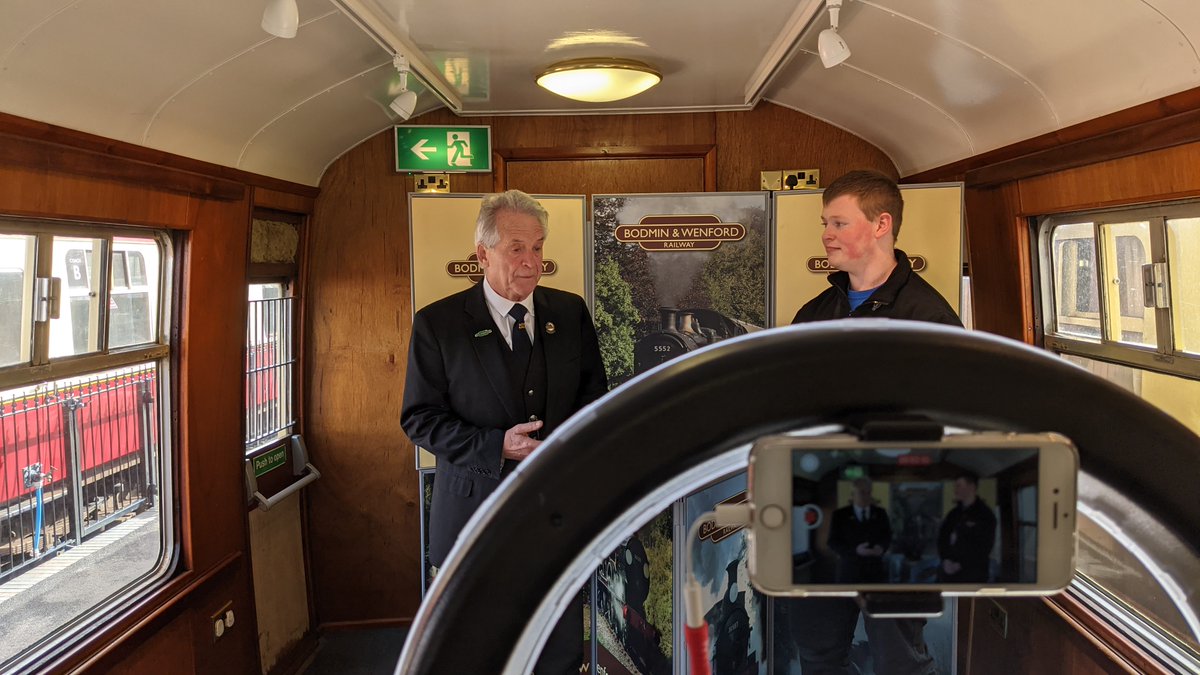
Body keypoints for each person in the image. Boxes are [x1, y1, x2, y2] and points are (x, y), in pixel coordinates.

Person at [401, 189, 608, 674]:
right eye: (517, 248)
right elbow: (420, 419)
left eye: (538, 247)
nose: (532, 261)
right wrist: (496, 446)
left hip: (555, 510)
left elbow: (595, 398)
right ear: (483, 254)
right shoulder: (439, 324)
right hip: (474, 513)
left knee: (558, 648)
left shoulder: (570, 312)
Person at [786, 169, 963, 675]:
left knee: (899, 660)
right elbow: (788, 409)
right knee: (818, 653)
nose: (827, 233)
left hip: (900, 521)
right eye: (825, 223)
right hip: (819, 516)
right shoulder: (815, 313)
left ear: (881, 224)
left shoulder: (929, 319)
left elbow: (947, 429)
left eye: (839, 222)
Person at [827, 477, 892, 583]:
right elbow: (832, 542)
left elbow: (887, 536)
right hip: (850, 571)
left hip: (874, 572)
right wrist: (855, 551)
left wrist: (881, 547)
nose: (866, 496)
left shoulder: (880, 513)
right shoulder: (840, 515)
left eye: (869, 492)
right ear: (853, 494)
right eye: (862, 492)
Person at [937, 473, 997, 583]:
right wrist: (945, 560)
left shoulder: (985, 515)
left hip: (973, 574)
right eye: (955, 486)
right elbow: (942, 538)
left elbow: (984, 546)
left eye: (959, 486)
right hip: (949, 573)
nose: (955, 490)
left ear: (972, 487)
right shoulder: (953, 514)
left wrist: (961, 564)